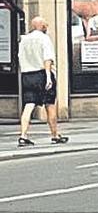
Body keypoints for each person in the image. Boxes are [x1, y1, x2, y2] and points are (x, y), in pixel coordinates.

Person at [17, 16, 66, 147]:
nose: (47, 27)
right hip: (42, 74)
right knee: (49, 104)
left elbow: (20, 57)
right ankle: (55, 135)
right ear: (42, 27)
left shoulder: (24, 40)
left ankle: (23, 135)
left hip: (27, 75)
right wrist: (48, 76)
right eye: (45, 25)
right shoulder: (44, 39)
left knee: (28, 105)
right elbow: (47, 59)